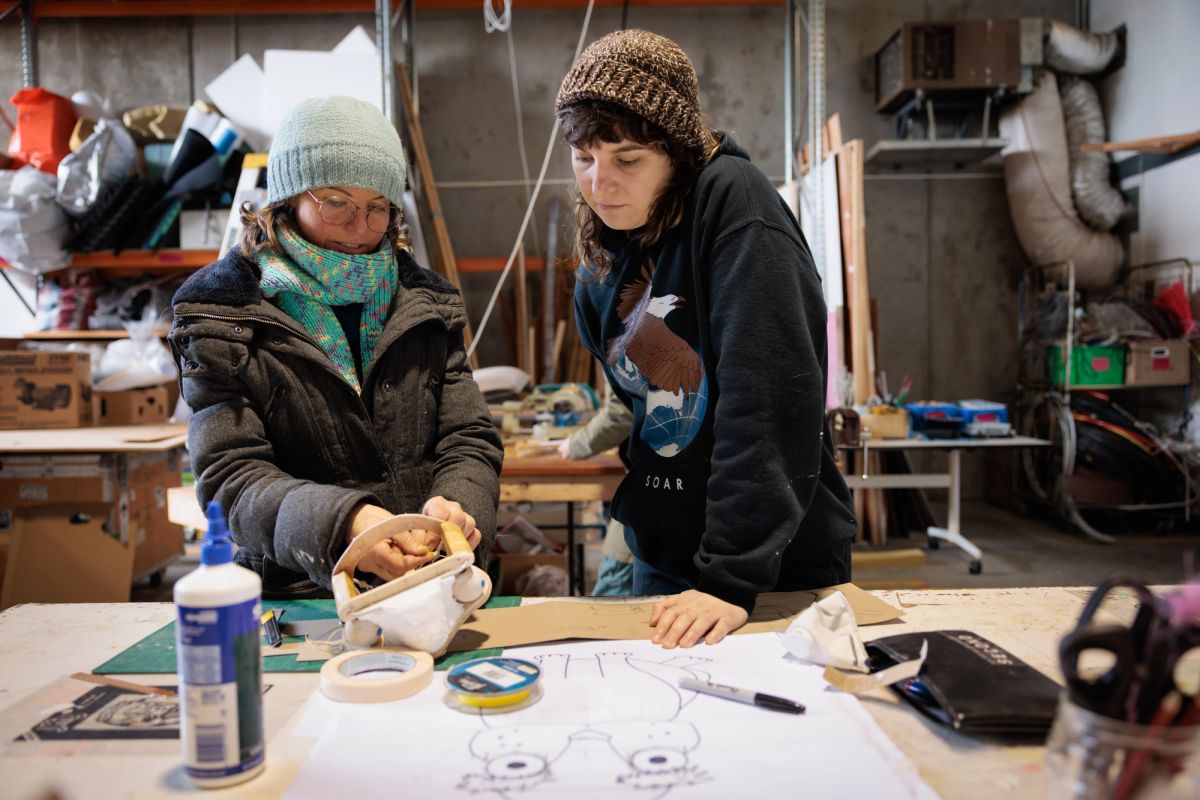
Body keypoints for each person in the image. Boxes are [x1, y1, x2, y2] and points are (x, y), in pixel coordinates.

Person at [555, 30, 857, 648]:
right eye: (583, 159)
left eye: (627, 160)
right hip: (665, 557)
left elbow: (767, 399)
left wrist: (731, 573)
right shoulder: (603, 249)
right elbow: (637, 401)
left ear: (680, 153)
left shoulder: (737, 207)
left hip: (766, 566)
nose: (599, 183)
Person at [170, 96, 503, 599]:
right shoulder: (223, 314)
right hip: (302, 597)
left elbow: (468, 438)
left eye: (377, 208)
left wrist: (456, 506)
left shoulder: (427, 304)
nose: (361, 228)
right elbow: (231, 478)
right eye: (337, 203)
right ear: (288, 198)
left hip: (432, 581)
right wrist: (346, 525)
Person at [558, 392, 635, 596]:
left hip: (652, 484)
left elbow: (621, 410)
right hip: (655, 478)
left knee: (614, 585)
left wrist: (578, 443)